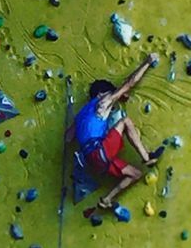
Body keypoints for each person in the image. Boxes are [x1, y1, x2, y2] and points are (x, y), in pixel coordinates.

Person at [66, 54, 164, 210]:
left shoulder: (80, 115)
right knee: (125, 122)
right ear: (100, 94)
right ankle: (147, 157)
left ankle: (106, 199)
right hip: (99, 150)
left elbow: (68, 138)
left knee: (135, 174)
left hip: (94, 161)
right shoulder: (102, 102)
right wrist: (147, 62)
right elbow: (129, 84)